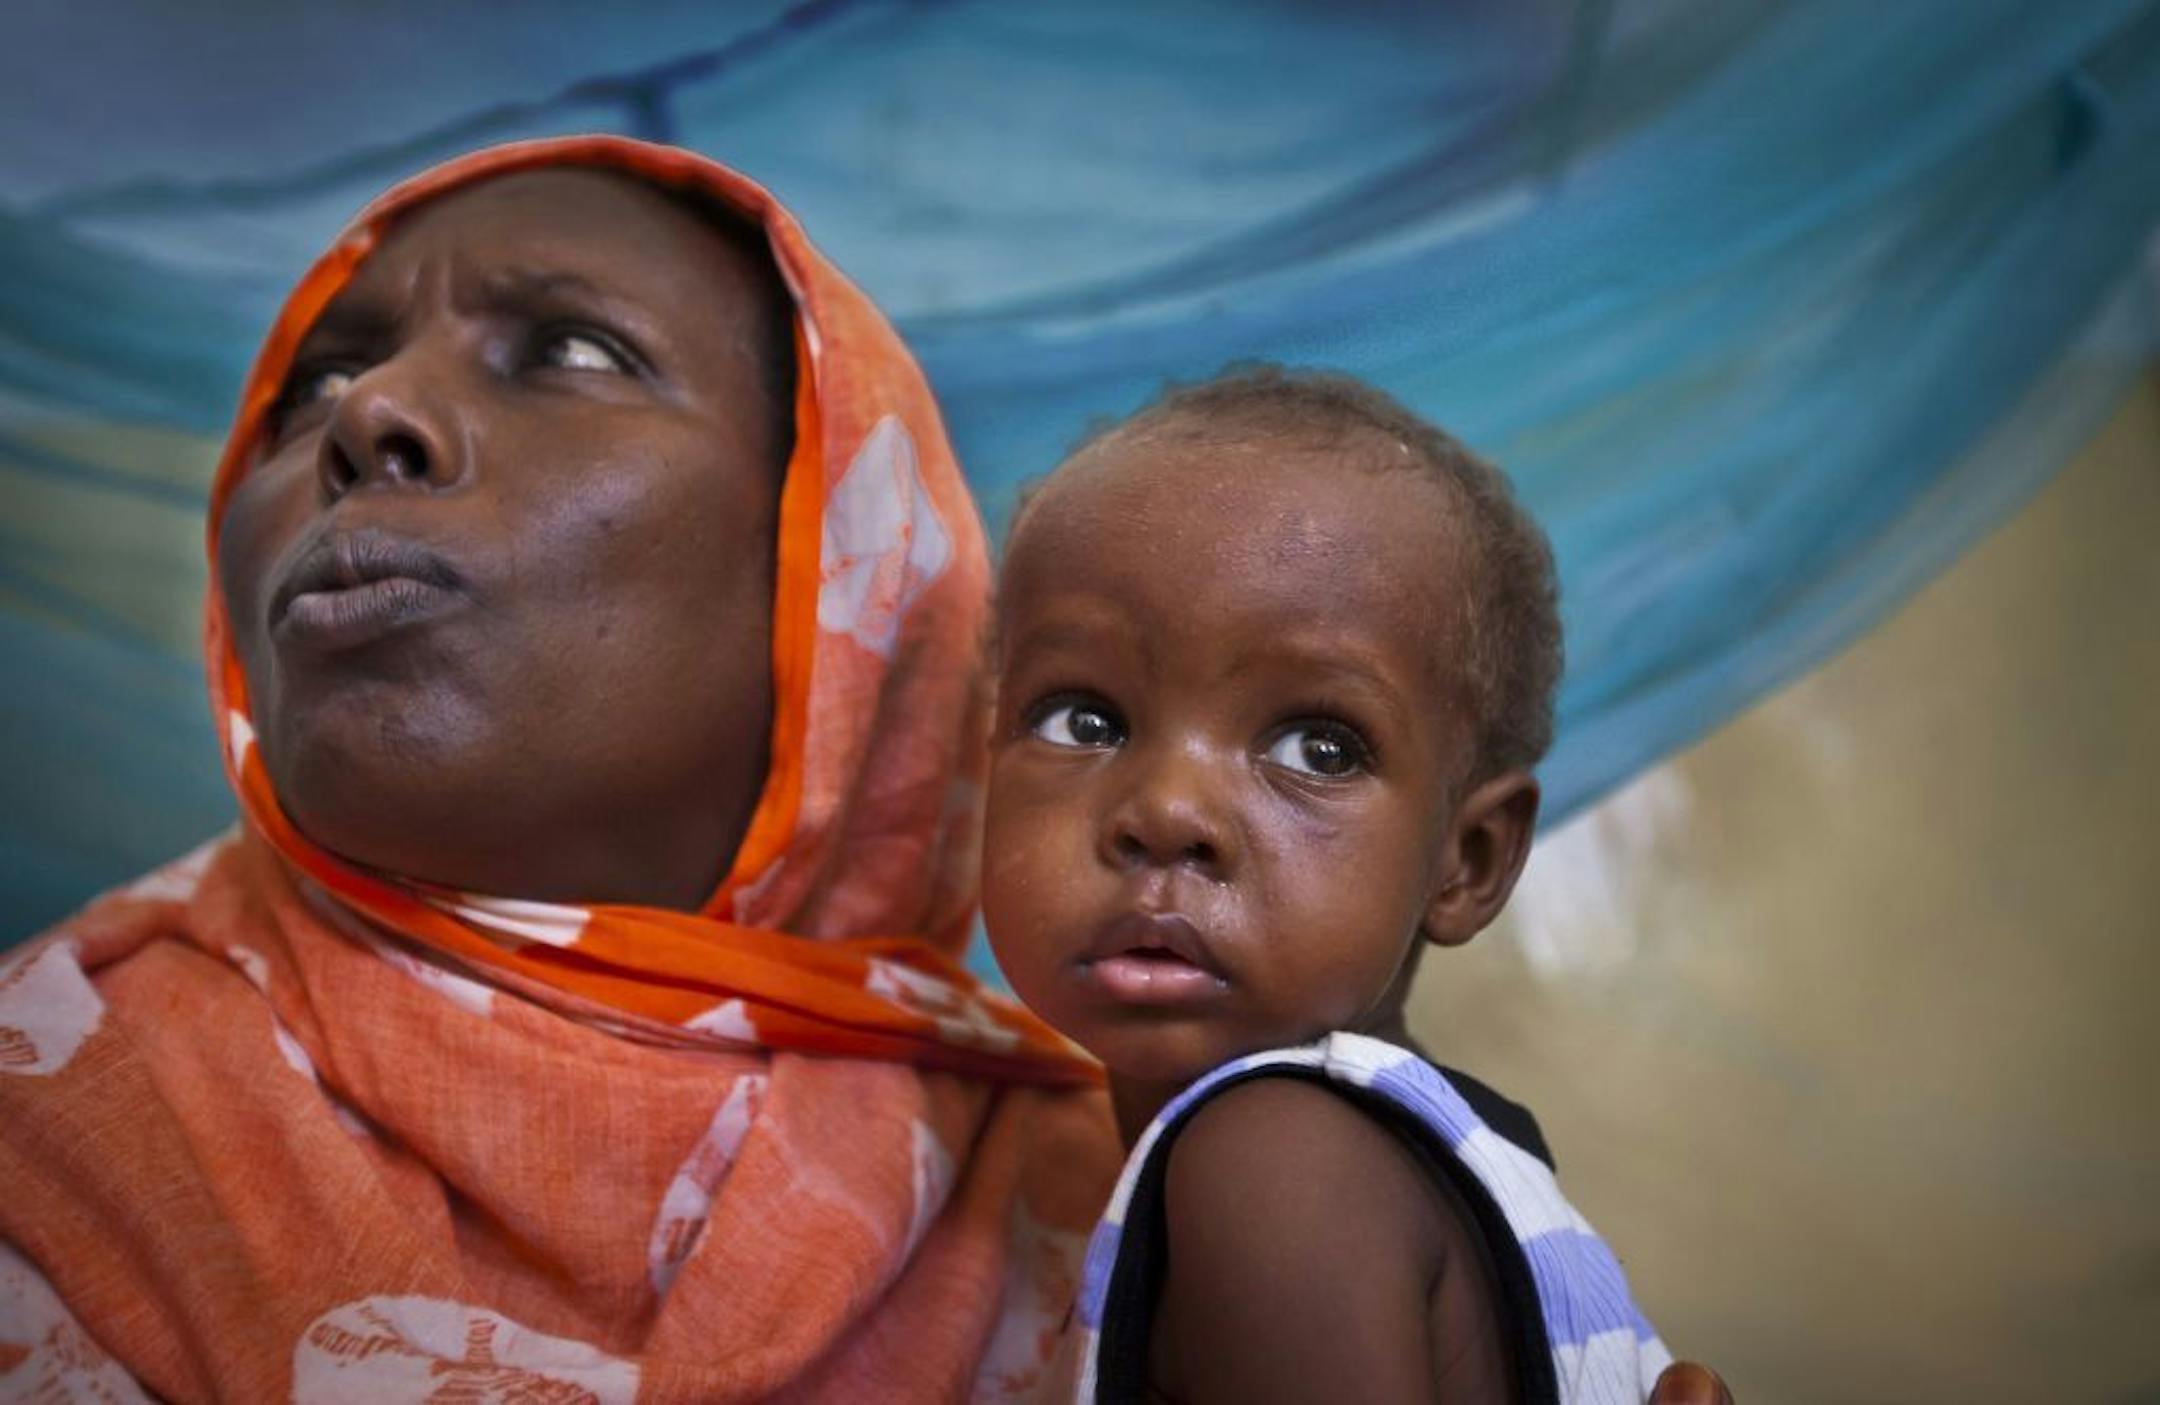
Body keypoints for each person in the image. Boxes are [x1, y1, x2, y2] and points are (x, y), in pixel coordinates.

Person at [0, 136, 1731, 1403]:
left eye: (575, 351)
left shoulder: (1120, 1163)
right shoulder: (54, 1115)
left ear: (843, 576)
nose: (368, 418)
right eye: (318, 375)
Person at [982, 367, 1670, 1402]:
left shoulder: (1272, 1168)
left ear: (1470, 858)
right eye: (1086, 719)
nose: (1167, 809)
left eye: (1319, 746)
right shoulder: (1454, 1170)